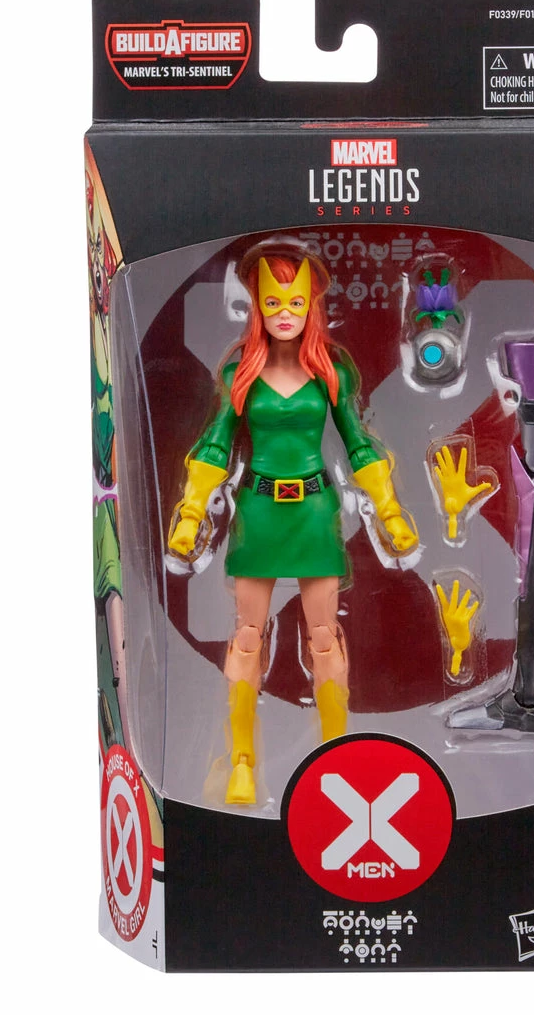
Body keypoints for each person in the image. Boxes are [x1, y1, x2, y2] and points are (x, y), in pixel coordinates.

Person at [167, 246, 417, 804]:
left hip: (312, 512)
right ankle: (242, 762)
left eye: (296, 302)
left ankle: (337, 760)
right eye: (274, 302)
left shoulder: (331, 372)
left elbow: (359, 444)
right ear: (258, 305)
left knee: (323, 638)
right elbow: (215, 444)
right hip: (258, 511)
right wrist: (191, 513)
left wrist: (390, 511)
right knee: (247, 637)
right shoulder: (240, 372)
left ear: (311, 306)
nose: (285, 313)